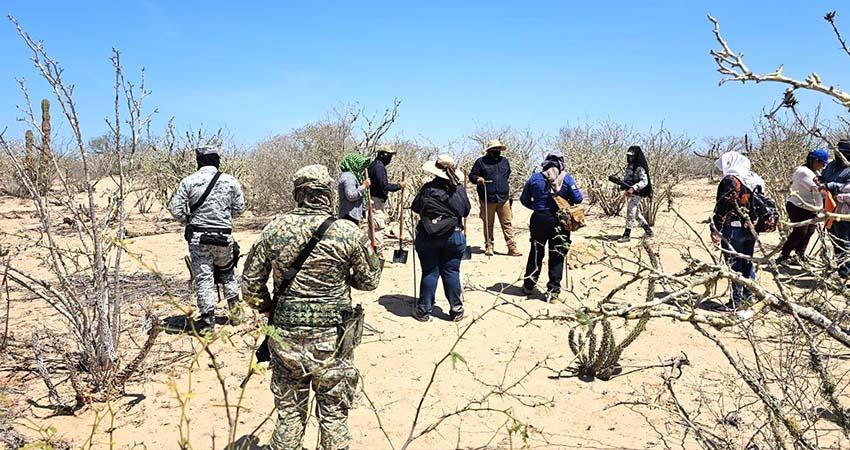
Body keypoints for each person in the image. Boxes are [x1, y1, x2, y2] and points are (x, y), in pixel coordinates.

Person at [241, 164, 382, 450]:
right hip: (333, 340)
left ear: (297, 194)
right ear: (326, 194)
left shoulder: (275, 229)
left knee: (290, 412)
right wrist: (372, 256)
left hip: (285, 337)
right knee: (333, 413)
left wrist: (268, 307)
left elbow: (249, 286)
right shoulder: (347, 232)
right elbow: (368, 282)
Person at [169, 145, 245, 331]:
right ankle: (235, 314)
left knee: (204, 278)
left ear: (199, 161)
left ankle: (207, 322)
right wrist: (223, 218)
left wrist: (190, 220)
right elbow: (240, 208)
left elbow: (175, 209)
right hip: (224, 238)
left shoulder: (188, 181)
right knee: (227, 273)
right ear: (217, 160)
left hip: (199, 239)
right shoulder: (230, 181)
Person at [411, 155, 471, 322]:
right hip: (454, 235)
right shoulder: (459, 190)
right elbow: (466, 211)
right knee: (451, 271)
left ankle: (424, 311)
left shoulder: (428, 188)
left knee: (430, 271)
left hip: (428, 236)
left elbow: (416, 207)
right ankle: (456, 309)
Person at [519, 151, 584, 303]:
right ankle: (553, 292)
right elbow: (578, 198)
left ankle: (529, 285)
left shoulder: (535, 178)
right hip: (560, 221)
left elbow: (524, 200)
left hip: (539, 219)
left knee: (536, 251)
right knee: (557, 254)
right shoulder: (566, 178)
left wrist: (537, 207)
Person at [710, 151, 765, 309]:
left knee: (734, 265)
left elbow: (722, 207)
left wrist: (715, 230)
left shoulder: (730, 180)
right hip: (751, 228)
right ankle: (749, 298)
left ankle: (736, 302)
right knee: (747, 262)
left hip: (732, 228)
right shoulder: (755, 178)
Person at [468, 139, 522, 257]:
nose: (497, 151)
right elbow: (472, 175)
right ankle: (489, 246)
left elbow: (507, 174)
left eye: (498, 149)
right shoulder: (480, 162)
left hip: (503, 198)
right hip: (487, 198)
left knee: (507, 223)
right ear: (489, 150)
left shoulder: (504, 161)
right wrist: (478, 179)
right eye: (495, 149)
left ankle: (512, 247)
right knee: (488, 223)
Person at [778, 149, 829, 265]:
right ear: (815, 161)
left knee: (810, 231)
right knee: (800, 231)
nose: (823, 166)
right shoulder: (804, 172)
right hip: (798, 207)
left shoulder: (816, 173)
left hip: (810, 208)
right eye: (822, 163)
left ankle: (800, 254)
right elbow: (818, 188)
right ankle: (783, 256)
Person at [367, 145, 407, 257]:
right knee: (378, 228)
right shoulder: (378, 167)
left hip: (374, 201)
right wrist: (399, 185)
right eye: (389, 156)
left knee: (373, 229)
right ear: (384, 155)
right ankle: (378, 255)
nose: (390, 159)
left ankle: (372, 254)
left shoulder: (374, 165)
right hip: (376, 202)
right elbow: (384, 185)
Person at [822, 140, 850, 278]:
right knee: (835, 241)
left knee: (846, 244)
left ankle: (846, 273)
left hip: (846, 213)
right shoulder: (832, 166)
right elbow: (823, 178)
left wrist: (832, 188)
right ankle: (841, 271)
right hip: (831, 211)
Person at [618, 145, 654, 243]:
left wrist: (633, 188)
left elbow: (644, 181)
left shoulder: (640, 167)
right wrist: (623, 185)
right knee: (636, 214)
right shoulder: (630, 166)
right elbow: (628, 178)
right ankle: (648, 231)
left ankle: (627, 234)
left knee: (630, 211)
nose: (630, 158)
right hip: (631, 192)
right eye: (629, 156)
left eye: (632, 156)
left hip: (637, 192)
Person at [337, 152, 371, 224]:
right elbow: (351, 196)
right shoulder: (349, 177)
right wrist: (364, 186)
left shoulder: (351, 176)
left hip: (350, 215)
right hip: (349, 216)